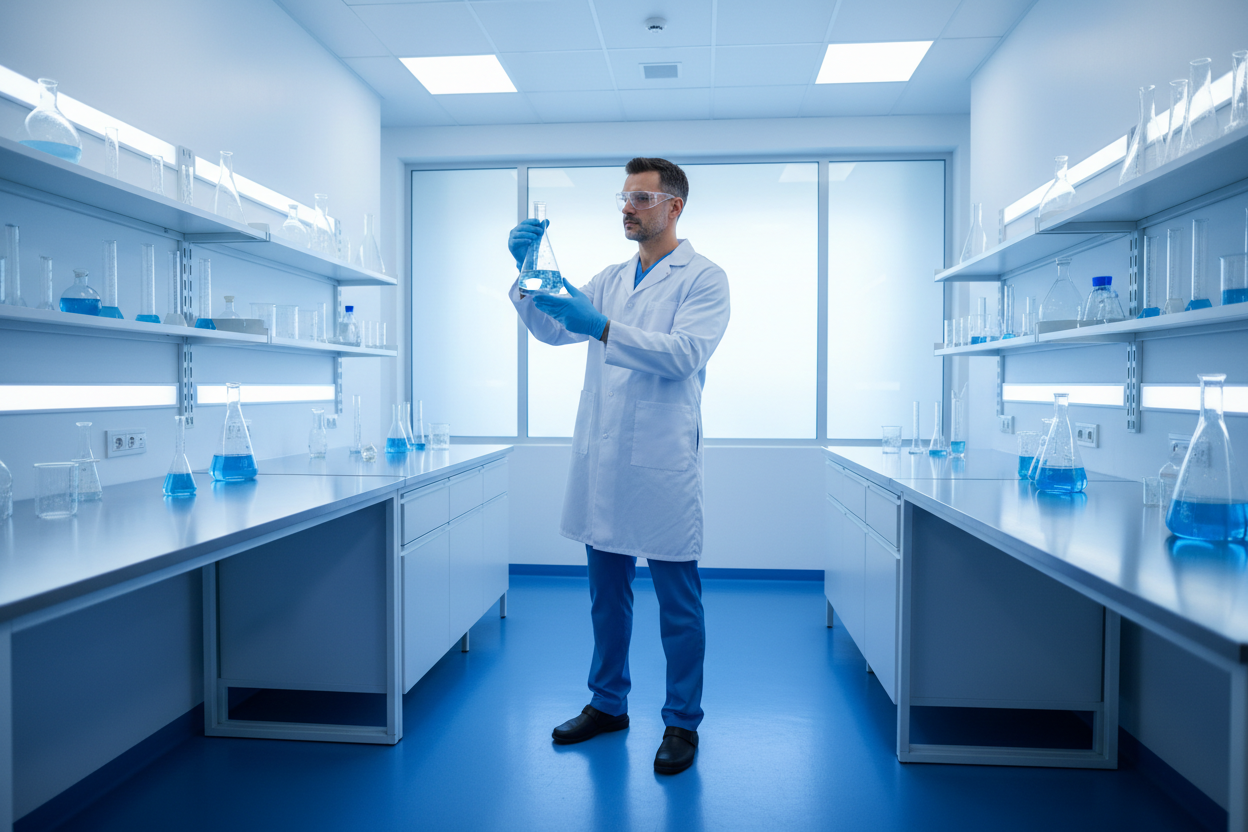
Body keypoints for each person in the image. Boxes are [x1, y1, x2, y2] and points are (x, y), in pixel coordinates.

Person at [507, 157, 730, 775]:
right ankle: (608, 705)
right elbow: (556, 329)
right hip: (605, 464)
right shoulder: (609, 278)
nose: (628, 207)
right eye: (623, 197)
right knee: (607, 599)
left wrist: (603, 327)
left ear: (674, 206)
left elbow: (684, 355)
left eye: (641, 197)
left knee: (678, 607)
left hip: (661, 465)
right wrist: (526, 268)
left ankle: (682, 723)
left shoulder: (704, 279)